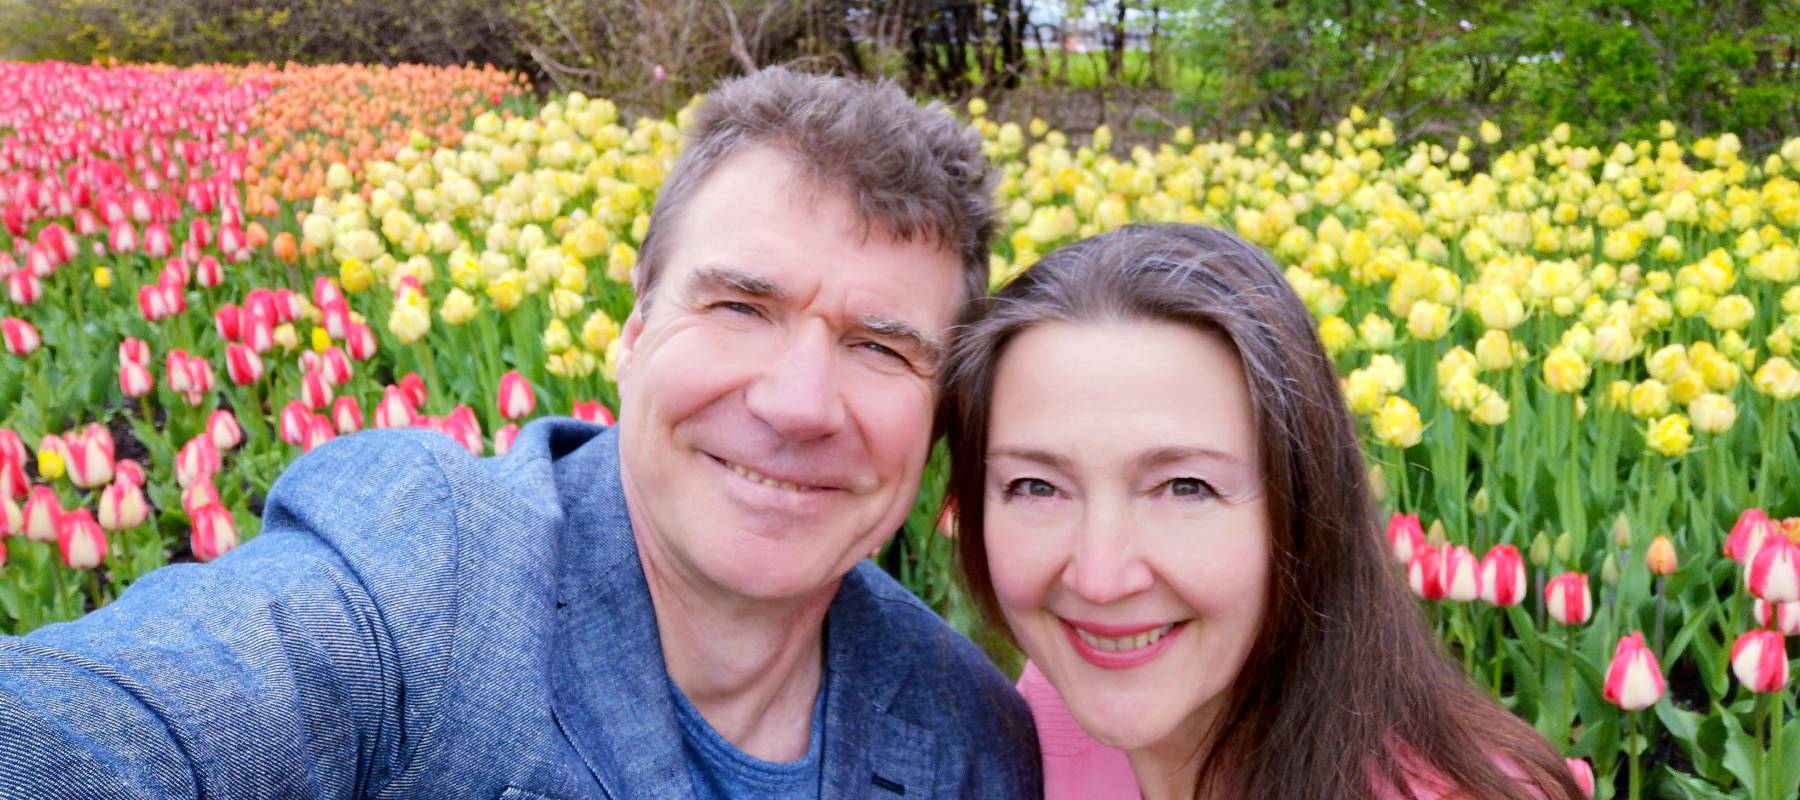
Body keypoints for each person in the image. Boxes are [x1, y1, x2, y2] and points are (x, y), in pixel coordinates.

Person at [0, 67, 1040, 799]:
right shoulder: (422, 574)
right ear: (631, 337)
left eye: (880, 344)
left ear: (941, 411)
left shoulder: (971, 735)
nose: (800, 401)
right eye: (739, 306)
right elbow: (131, 718)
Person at [941, 224, 1583, 800]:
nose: (1099, 581)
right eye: (1036, 487)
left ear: (1305, 507)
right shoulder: (1058, 705)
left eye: (1185, 487)